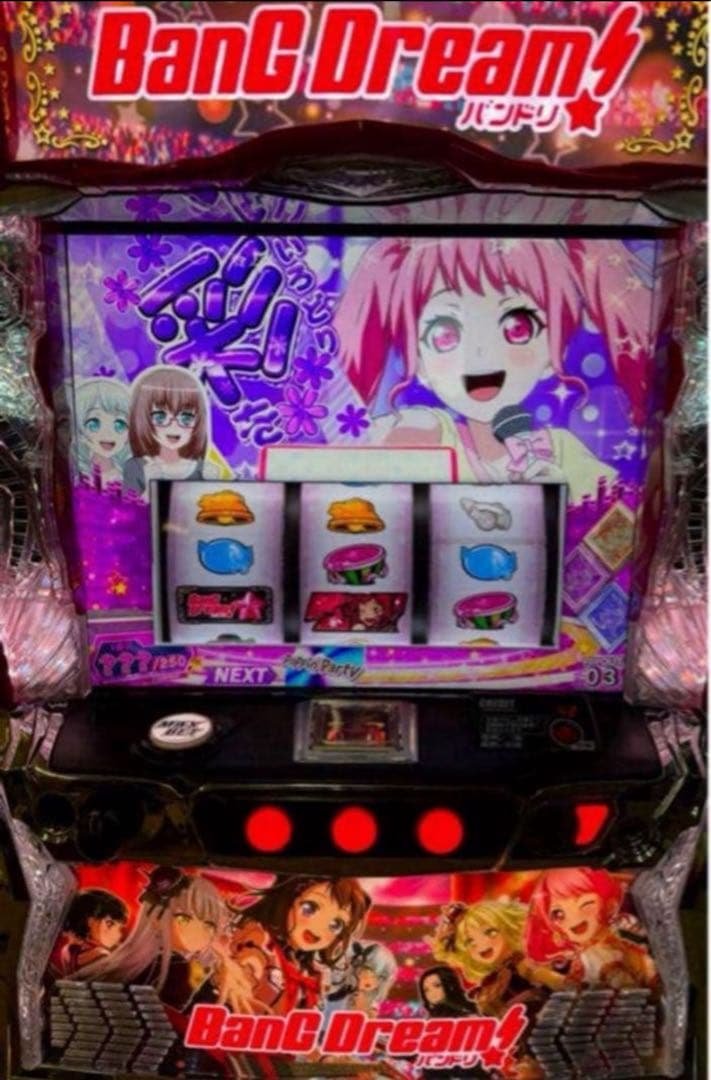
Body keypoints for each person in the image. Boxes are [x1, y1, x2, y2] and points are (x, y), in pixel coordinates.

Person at [335, 235, 653, 502]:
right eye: (445, 334)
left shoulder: (562, 451)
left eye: (518, 328)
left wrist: (563, 498)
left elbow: (618, 525)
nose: (480, 356)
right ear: (417, 362)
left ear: (556, 350)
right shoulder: (428, 432)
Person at [73, 867, 254, 1014]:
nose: (196, 932)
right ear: (157, 918)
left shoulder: (128, 962)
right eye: (184, 919)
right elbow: (177, 1024)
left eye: (208, 926)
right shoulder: (177, 968)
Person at [228, 875, 371, 1014]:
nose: (319, 928)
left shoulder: (309, 971)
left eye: (335, 924)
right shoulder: (260, 941)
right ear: (288, 899)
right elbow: (249, 962)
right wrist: (243, 976)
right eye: (310, 908)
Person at [524, 868, 658, 990]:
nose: (574, 918)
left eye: (586, 904)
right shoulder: (588, 956)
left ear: (609, 906)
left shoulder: (604, 951)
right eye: (558, 914)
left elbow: (632, 987)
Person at [122, 367, 216, 498]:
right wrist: (149, 489)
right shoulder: (136, 468)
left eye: (186, 418)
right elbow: (125, 508)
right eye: (160, 417)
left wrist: (212, 486)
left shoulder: (203, 470)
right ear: (142, 418)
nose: (174, 426)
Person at [56, 889, 128, 975]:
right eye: (110, 923)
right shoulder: (101, 955)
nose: (120, 935)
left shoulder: (66, 950)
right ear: (91, 921)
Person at [75, 378, 131, 488]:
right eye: (94, 424)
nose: (108, 434)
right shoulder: (79, 474)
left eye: (119, 425)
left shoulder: (129, 475)